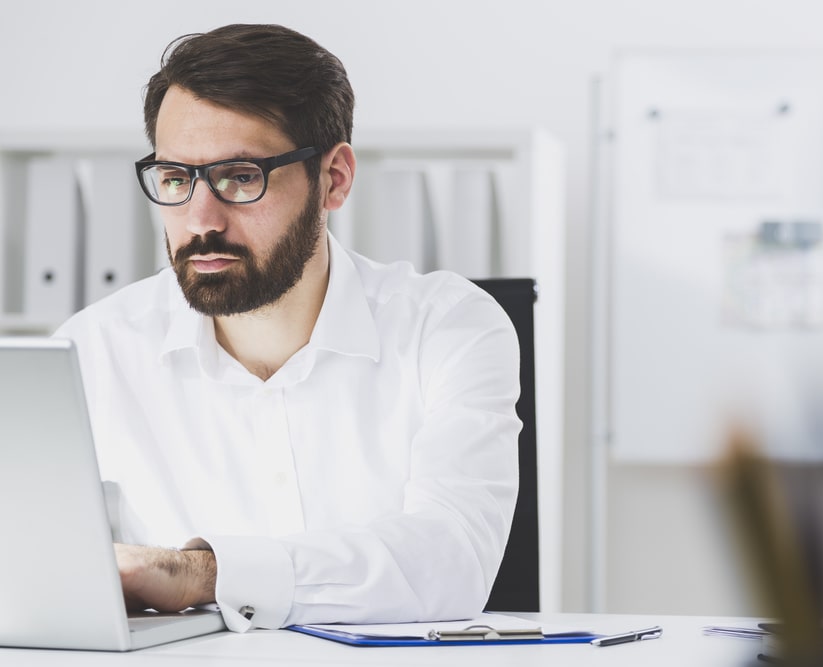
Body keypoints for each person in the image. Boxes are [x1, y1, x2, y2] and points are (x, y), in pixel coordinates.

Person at [54, 23, 521, 632]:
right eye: (174, 179)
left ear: (334, 178)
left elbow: (450, 562)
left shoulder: (449, 325)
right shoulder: (90, 350)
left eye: (240, 176)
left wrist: (201, 574)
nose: (200, 219)